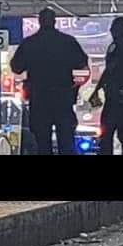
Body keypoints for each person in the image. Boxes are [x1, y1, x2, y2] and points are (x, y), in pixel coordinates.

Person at [11, 8, 89, 155]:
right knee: (66, 141)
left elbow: (16, 68)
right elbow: (83, 67)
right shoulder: (68, 42)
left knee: (42, 142)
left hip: (39, 98)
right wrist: (75, 87)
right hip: (63, 98)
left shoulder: (29, 43)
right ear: (54, 21)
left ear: (39, 21)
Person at [89, 17, 123, 179]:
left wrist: (97, 89)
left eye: (113, 30)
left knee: (106, 135)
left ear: (119, 30)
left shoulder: (117, 46)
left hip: (115, 99)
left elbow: (110, 69)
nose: (111, 33)